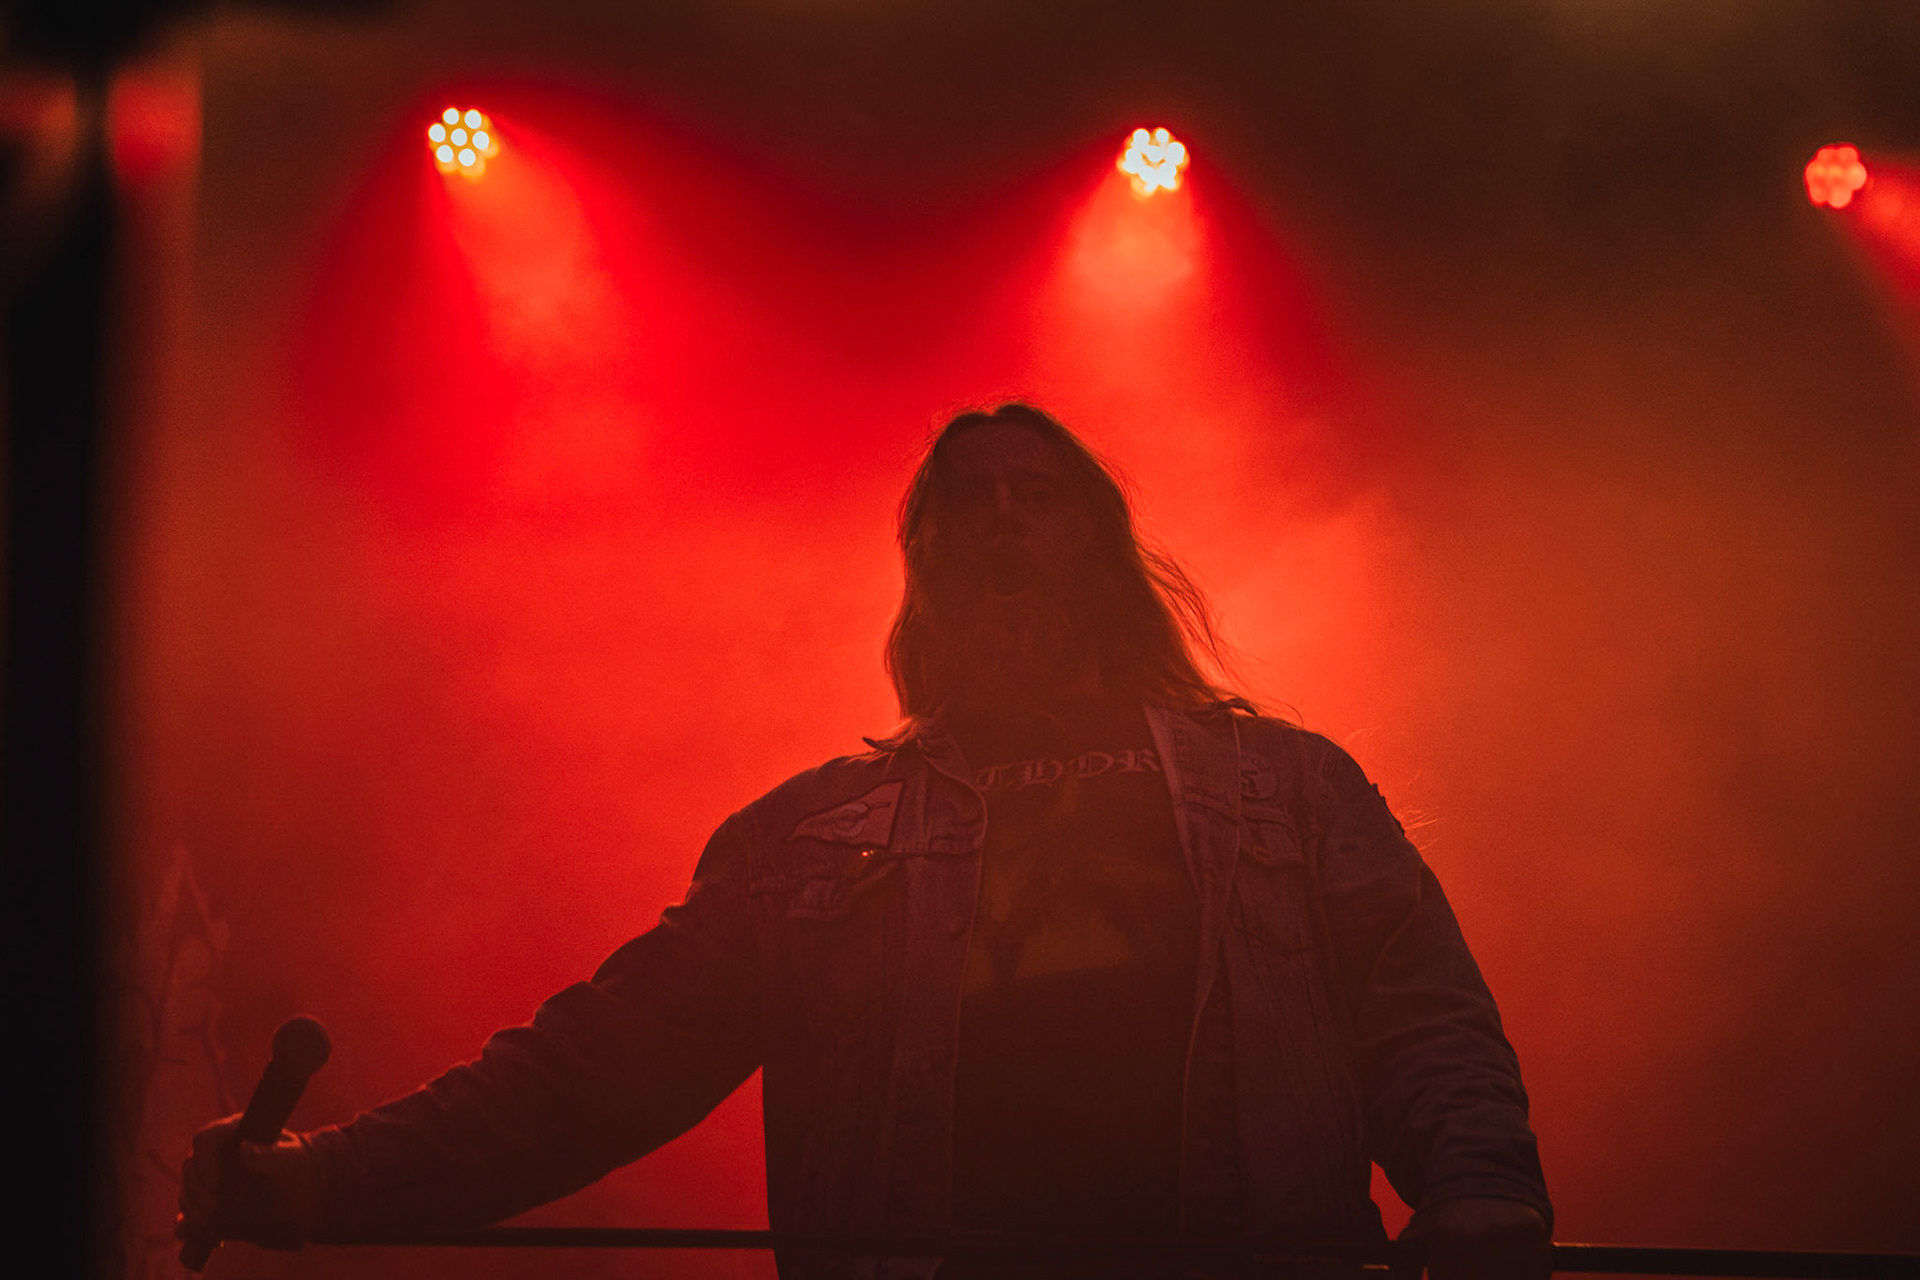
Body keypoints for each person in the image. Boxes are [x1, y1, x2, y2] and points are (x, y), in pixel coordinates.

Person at [179, 403, 1553, 1280]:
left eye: (1039, 494)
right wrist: (321, 1182)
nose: (1002, 518)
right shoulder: (812, 841)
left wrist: (1482, 1184)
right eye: (968, 499)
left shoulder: (1286, 788)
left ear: (1103, 547)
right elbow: (595, 1067)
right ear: (926, 567)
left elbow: (1417, 1008)